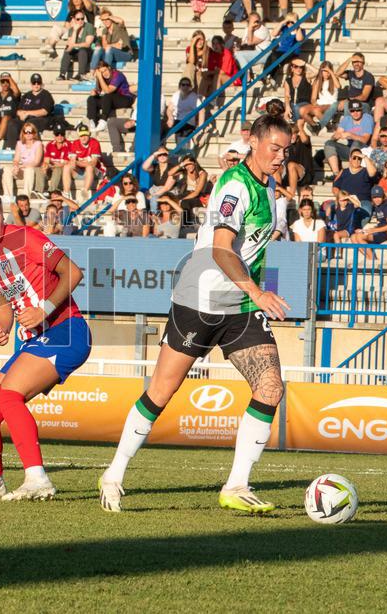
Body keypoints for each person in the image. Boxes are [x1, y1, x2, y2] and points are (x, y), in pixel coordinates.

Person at [99, 113, 290, 514]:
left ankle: (236, 486)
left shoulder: (268, 183)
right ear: (252, 142)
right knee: (161, 391)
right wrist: (258, 291)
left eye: (285, 150)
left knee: (270, 386)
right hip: (201, 300)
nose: (280, 157)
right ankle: (113, 474)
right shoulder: (235, 186)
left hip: (240, 306)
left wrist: (251, 295)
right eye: (275, 148)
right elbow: (221, 249)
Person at [0, 151, 92, 501]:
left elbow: (73, 272)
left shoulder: (25, 237)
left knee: (9, 395)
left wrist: (44, 309)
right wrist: (3, 328)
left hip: (66, 331)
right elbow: (3, 304)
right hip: (34, 340)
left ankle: (38, 479)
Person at [86, 61, 135, 133]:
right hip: (111, 100)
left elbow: (108, 90)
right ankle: (92, 122)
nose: (104, 73)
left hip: (126, 98)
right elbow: (99, 91)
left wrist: (100, 77)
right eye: (101, 72)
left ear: (109, 68)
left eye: (105, 70)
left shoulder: (118, 75)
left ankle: (103, 121)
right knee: (91, 99)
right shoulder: (101, 77)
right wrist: (94, 92)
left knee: (107, 96)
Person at [57, 10, 94, 82]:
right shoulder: (72, 29)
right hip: (77, 52)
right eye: (78, 19)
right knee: (67, 50)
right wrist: (75, 31)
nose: (80, 21)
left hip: (88, 53)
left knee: (82, 50)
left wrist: (74, 45)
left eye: (82, 18)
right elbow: (70, 46)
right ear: (74, 19)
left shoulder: (89, 26)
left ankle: (81, 74)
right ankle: (62, 74)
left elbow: (87, 44)